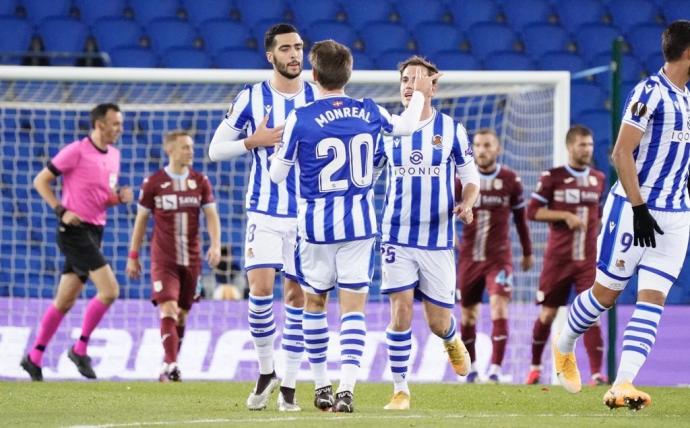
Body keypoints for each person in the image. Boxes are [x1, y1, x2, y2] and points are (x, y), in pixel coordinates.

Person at [270, 40, 434, 413]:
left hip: (315, 228)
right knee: (353, 310)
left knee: (315, 303)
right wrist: (420, 95)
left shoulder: (302, 117)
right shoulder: (369, 110)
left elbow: (278, 175)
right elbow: (408, 126)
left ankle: (322, 385)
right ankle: (347, 389)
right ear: (349, 73)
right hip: (359, 227)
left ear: (313, 76)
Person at [553, 21, 690, 410]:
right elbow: (620, 153)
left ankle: (623, 383)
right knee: (605, 295)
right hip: (634, 209)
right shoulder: (649, 93)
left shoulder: (689, 101)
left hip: (677, 216)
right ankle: (564, 344)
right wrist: (639, 207)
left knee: (653, 300)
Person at [208, 23, 317, 411]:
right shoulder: (252, 98)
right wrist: (251, 142)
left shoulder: (318, 96)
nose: (294, 55)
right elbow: (215, 150)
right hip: (264, 212)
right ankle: (266, 369)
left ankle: (288, 383)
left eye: (299, 48)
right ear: (270, 56)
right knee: (259, 290)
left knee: (297, 297)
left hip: (307, 215)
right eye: (286, 49)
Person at [373, 56, 478, 410]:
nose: (409, 85)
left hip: (437, 239)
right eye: (404, 78)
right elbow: (366, 175)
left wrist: (466, 202)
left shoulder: (451, 129)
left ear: (432, 87)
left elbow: (472, 179)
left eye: (417, 79)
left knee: (437, 322)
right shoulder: (387, 129)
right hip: (396, 236)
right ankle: (401, 389)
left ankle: (451, 337)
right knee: (400, 310)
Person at [21, 103, 132, 381]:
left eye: (120, 123)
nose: (120, 129)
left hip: (95, 230)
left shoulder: (115, 155)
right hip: (74, 230)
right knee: (110, 291)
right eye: (115, 123)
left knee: (65, 300)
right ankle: (79, 348)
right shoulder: (76, 150)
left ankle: (34, 357)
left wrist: (117, 198)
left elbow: (102, 196)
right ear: (99, 124)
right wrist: (61, 210)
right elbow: (40, 181)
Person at [126, 131, 221, 382]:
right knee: (168, 308)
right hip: (163, 259)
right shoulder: (153, 183)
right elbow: (141, 220)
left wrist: (216, 244)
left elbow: (211, 215)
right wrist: (133, 255)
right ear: (170, 150)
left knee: (182, 314)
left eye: (191, 147)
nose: (190, 151)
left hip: (192, 259)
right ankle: (171, 363)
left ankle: (168, 367)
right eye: (185, 147)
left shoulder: (200, 181)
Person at [524, 125, 606, 386]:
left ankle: (596, 374)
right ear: (570, 147)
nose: (588, 149)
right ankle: (535, 367)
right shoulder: (552, 177)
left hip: (586, 261)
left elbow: (599, 214)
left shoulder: (599, 178)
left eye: (590, 145)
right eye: (583, 145)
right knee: (547, 314)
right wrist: (565, 215)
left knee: (591, 315)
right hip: (558, 260)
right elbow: (532, 211)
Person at [457, 128, 534, 384]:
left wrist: (527, 251)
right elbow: (445, 213)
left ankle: (496, 371)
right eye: (477, 145)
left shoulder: (510, 179)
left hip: (499, 258)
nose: (482, 150)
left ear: (497, 149)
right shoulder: (462, 181)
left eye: (488, 145)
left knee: (499, 307)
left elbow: (521, 219)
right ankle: (473, 369)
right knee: (468, 314)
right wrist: (450, 239)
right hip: (469, 258)